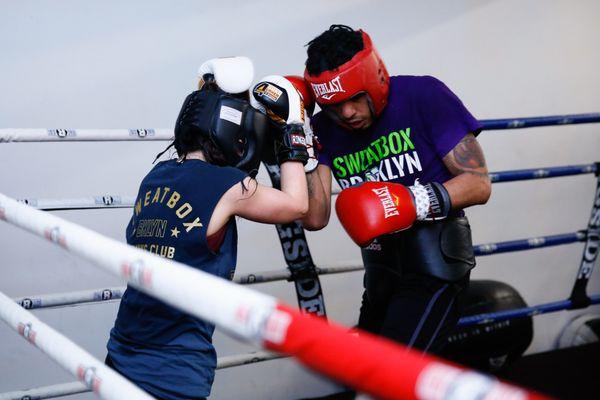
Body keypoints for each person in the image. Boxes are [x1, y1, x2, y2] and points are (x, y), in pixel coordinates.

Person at [105, 57, 310, 400]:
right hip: (174, 365)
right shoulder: (229, 185)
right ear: (233, 132)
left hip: (122, 347)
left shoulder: (154, 176)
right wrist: (294, 129)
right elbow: (297, 205)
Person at [299, 25, 492, 354]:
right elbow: (315, 218)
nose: (346, 113)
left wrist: (412, 200)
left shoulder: (424, 96)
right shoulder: (323, 129)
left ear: (374, 78)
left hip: (436, 266)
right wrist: (297, 139)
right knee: (367, 369)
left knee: (390, 371)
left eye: (355, 99)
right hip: (380, 269)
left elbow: (478, 182)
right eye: (334, 106)